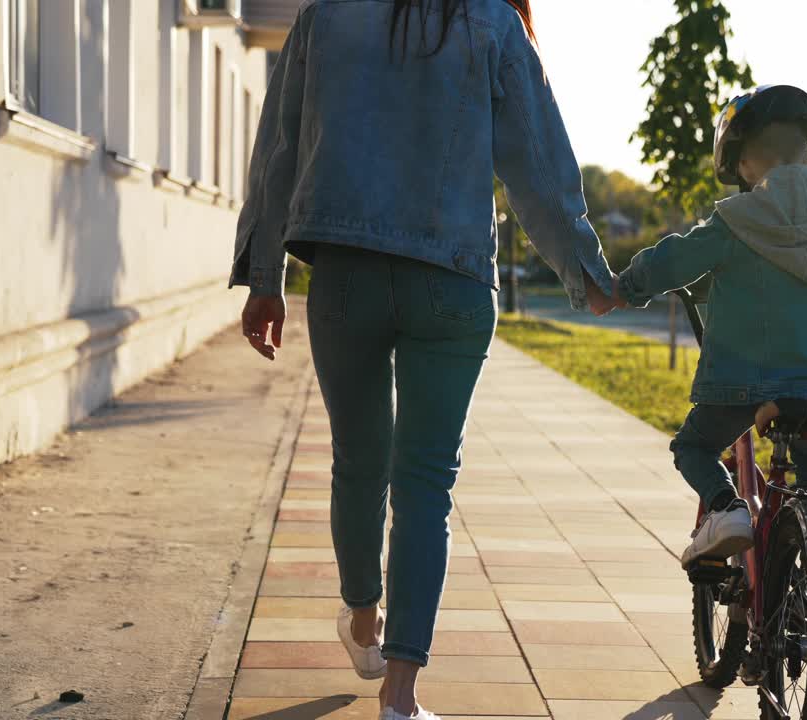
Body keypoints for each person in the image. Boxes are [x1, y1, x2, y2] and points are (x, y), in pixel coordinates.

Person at [230, 2, 619, 718]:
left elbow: (279, 149)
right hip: (453, 279)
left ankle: (362, 620)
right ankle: (401, 699)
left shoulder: (325, 17)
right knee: (425, 487)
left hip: (344, 276)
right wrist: (585, 275)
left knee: (358, 462)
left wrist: (264, 279)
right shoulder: (493, 22)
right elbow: (537, 160)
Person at [614, 85, 807, 568]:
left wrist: (627, 287)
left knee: (694, 446)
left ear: (740, 164)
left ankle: (725, 509)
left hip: (740, 385)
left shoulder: (733, 222)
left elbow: (674, 261)